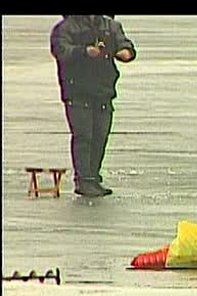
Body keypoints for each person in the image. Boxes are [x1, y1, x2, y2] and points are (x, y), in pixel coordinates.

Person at [50, 15, 136, 197]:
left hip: (103, 91)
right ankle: (83, 180)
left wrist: (126, 52)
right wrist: (84, 52)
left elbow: (124, 43)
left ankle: (93, 177)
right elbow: (61, 50)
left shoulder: (109, 25)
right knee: (84, 136)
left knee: (100, 136)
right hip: (77, 91)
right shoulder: (66, 28)